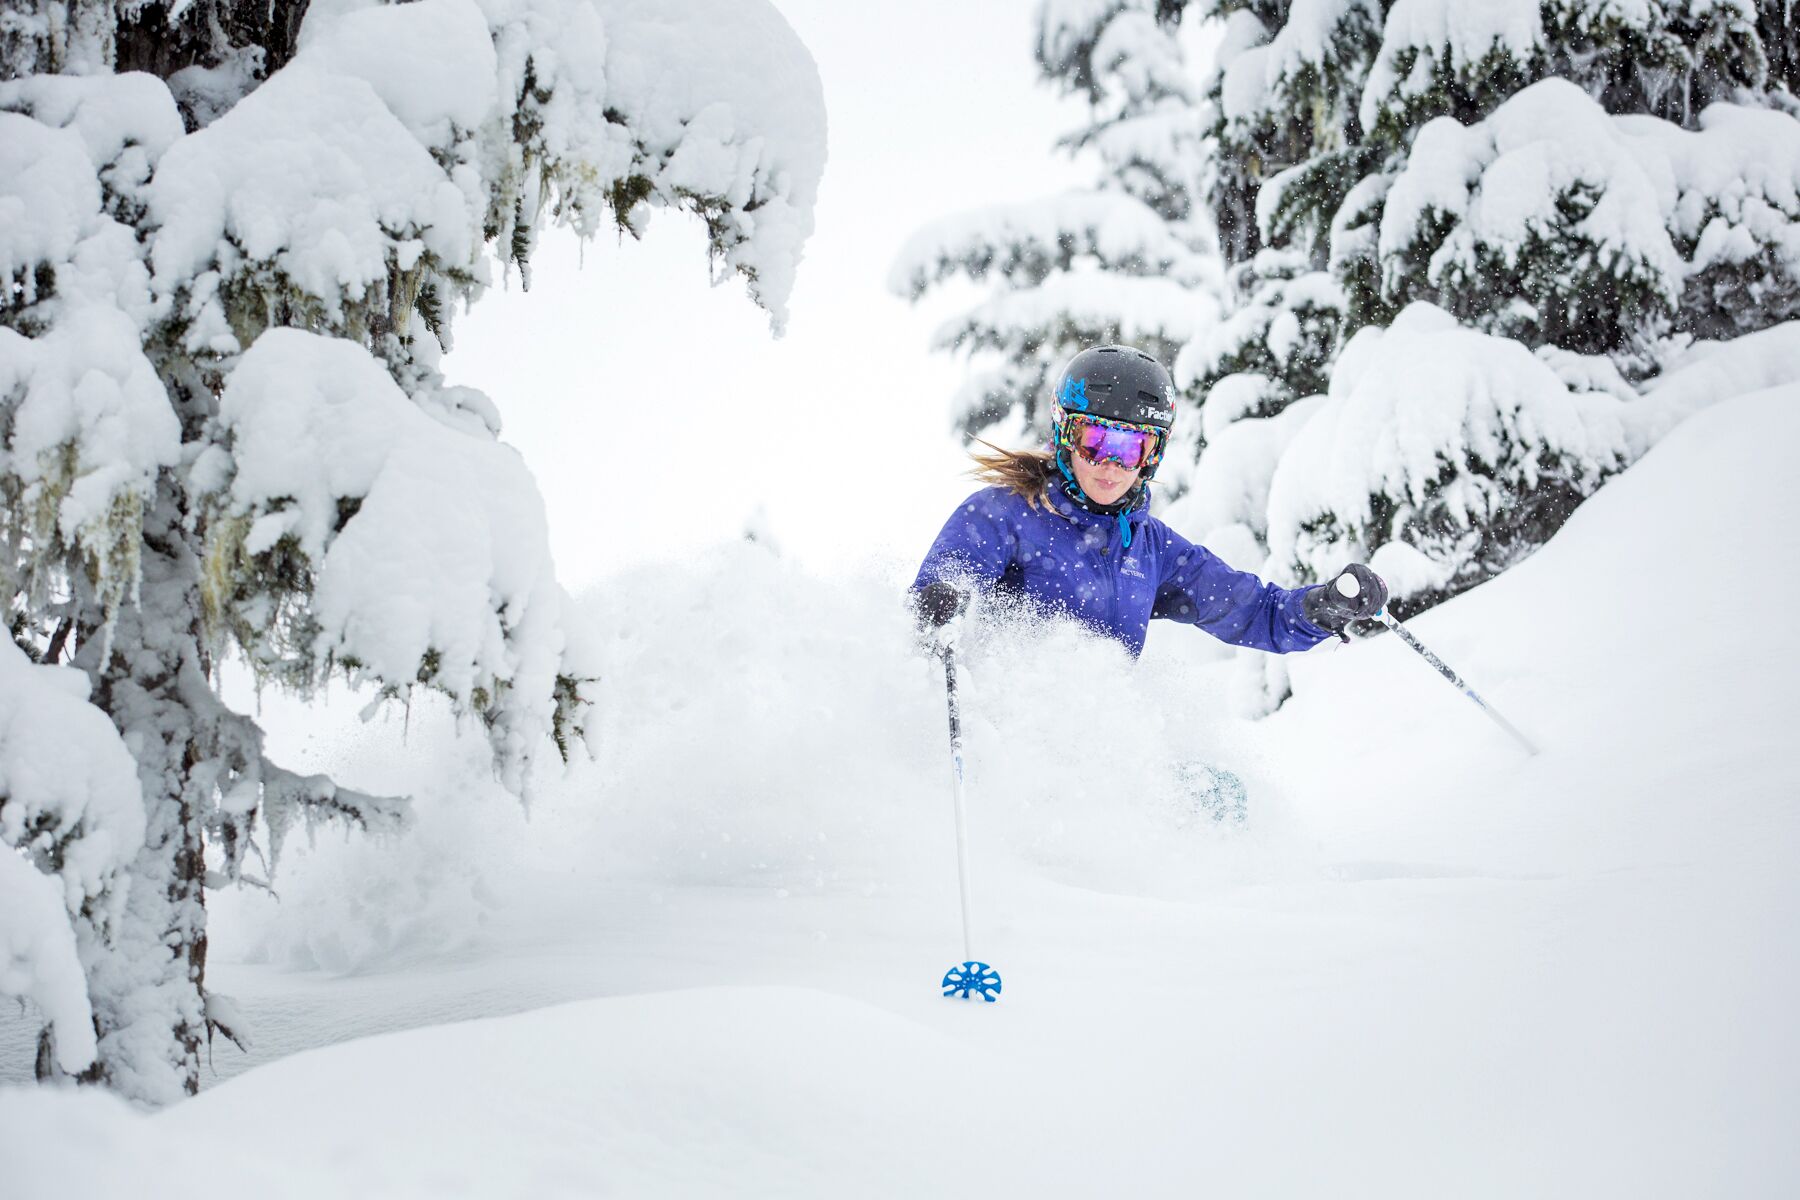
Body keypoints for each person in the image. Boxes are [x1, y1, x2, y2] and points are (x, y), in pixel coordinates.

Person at [911, 344, 1387, 659]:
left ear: (1151, 455)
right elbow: (944, 583)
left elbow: (1255, 612)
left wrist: (1323, 607)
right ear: (1064, 436)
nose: (1110, 464)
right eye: (1094, 441)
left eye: (1130, 447)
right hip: (998, 739)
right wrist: (944, 600)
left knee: (1219, 797)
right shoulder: (1003, 514)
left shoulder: (1151, 550)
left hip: (1093, 754)